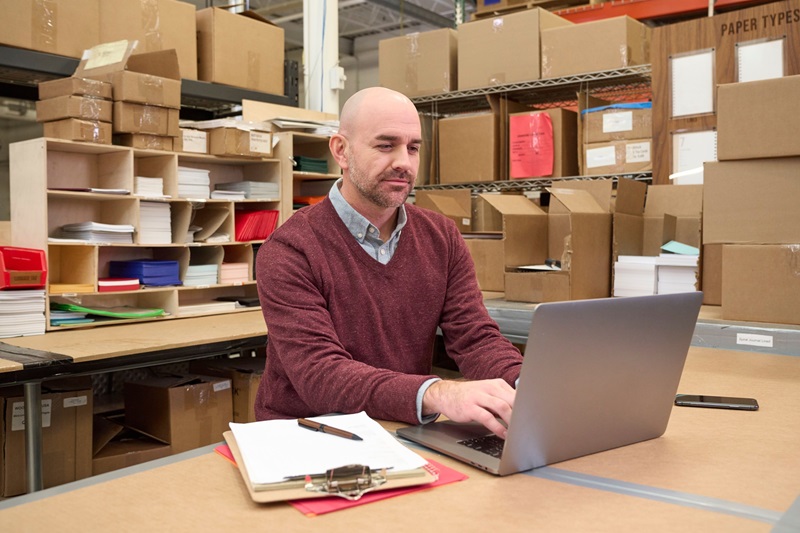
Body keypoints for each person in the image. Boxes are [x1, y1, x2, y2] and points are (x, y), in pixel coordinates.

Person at [254, 86, 523, 438]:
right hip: (308, 435)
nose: (404, 163)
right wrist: (437, 393)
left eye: (413, 148)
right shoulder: (290, 248)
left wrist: (529, 383)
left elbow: (475, 338)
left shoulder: (441, 236)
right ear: (341, 151)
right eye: (386, 145)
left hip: (398, 430)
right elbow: (320, 373)